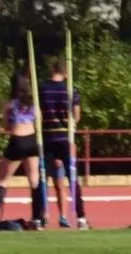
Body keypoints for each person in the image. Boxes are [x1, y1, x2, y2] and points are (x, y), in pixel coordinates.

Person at [39, 59, 89, 229]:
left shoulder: (42, 88)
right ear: (65, 72)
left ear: (52, 70)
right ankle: (81, 217)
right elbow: (76, 115)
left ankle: (41, 216)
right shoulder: (71, 89)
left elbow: (37, 113)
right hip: (65, 139)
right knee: (72, 178)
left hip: (47, 138)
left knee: (43, 178)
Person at [0, 74, 44, 227]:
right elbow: (39, 121)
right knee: (34, 179)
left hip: (17, 140)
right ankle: (38, 216)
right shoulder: (33, 104)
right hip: (32, 140)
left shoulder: (9, 105)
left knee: (4, 179)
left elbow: (6, 126)